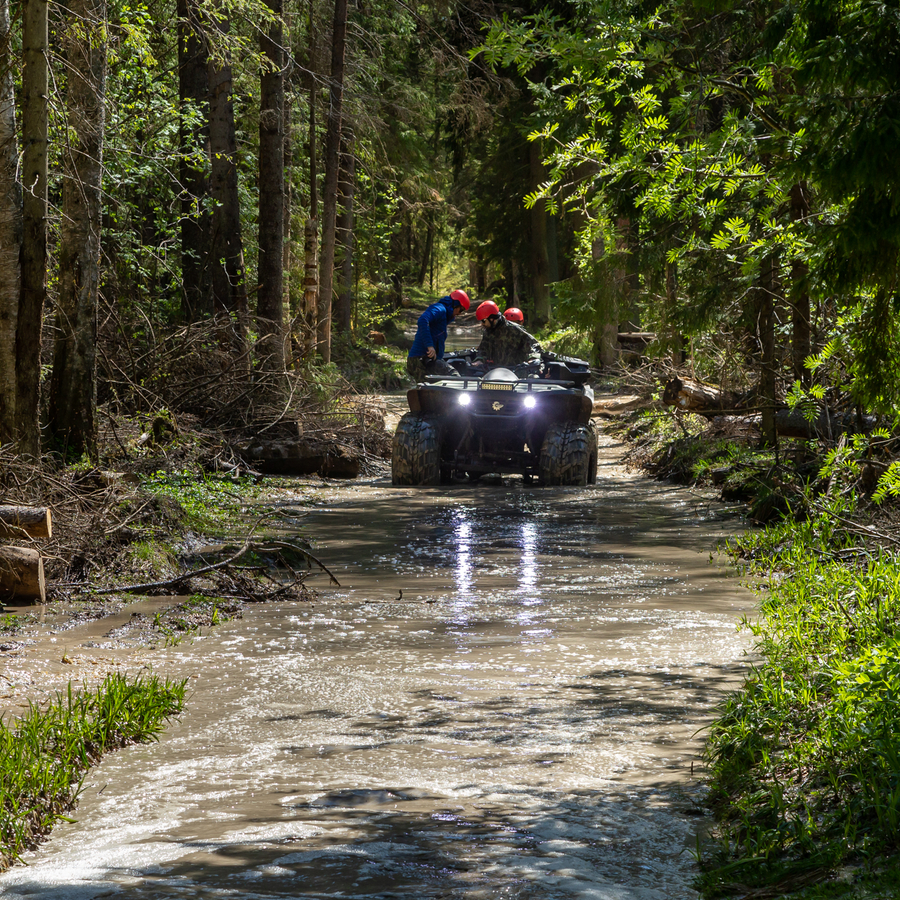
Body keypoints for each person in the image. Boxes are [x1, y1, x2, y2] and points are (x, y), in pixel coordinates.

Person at [407, 289, 471, 381]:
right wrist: (430, 346)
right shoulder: (440, 309)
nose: (459, 314)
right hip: (420, 359)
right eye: (461, 310)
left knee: (431, 389)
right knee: (455, 377)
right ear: (455, 305)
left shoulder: (444, 315)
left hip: (424, 360)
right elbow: (422, 320)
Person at [474, 300, 541, 368]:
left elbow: (533, 345)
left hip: (516, 372)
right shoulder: (488, 332)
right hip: (493, 372)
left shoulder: (515, 330)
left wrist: (533, 358)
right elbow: (483, 350)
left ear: (492, 319)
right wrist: (479, 360)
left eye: (483, 321)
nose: (482, 324)